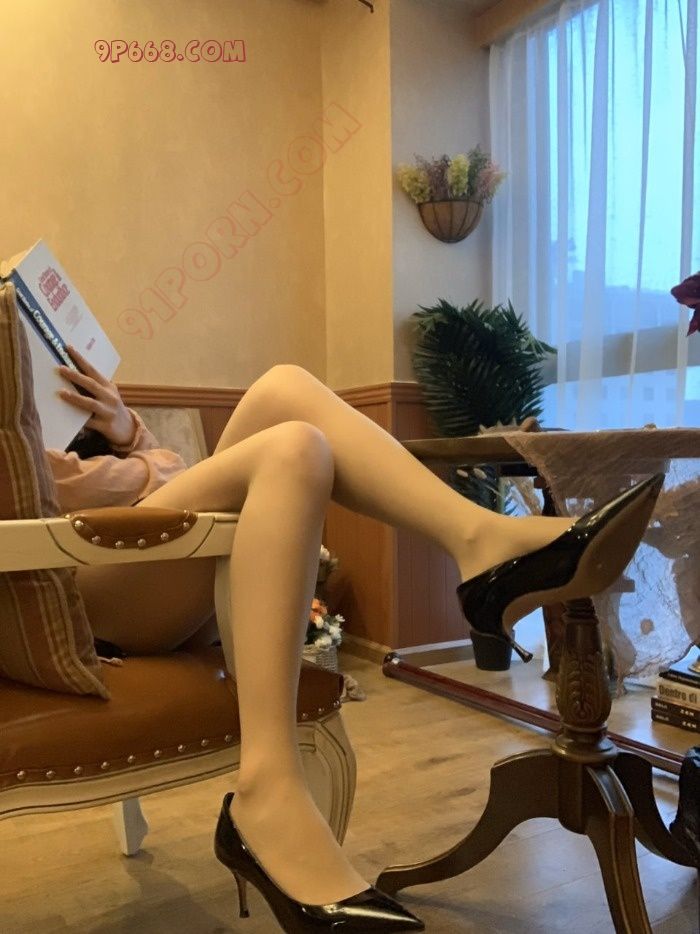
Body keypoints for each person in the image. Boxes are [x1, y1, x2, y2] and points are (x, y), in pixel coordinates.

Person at [50, 346, 661, 933]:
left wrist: (126, 429)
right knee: (291, 449)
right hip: (66, 591)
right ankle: (268, 788)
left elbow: (147, 476)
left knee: (283, 390)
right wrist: (145, 464)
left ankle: (481, 539)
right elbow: (56, 484)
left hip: (141, 563)